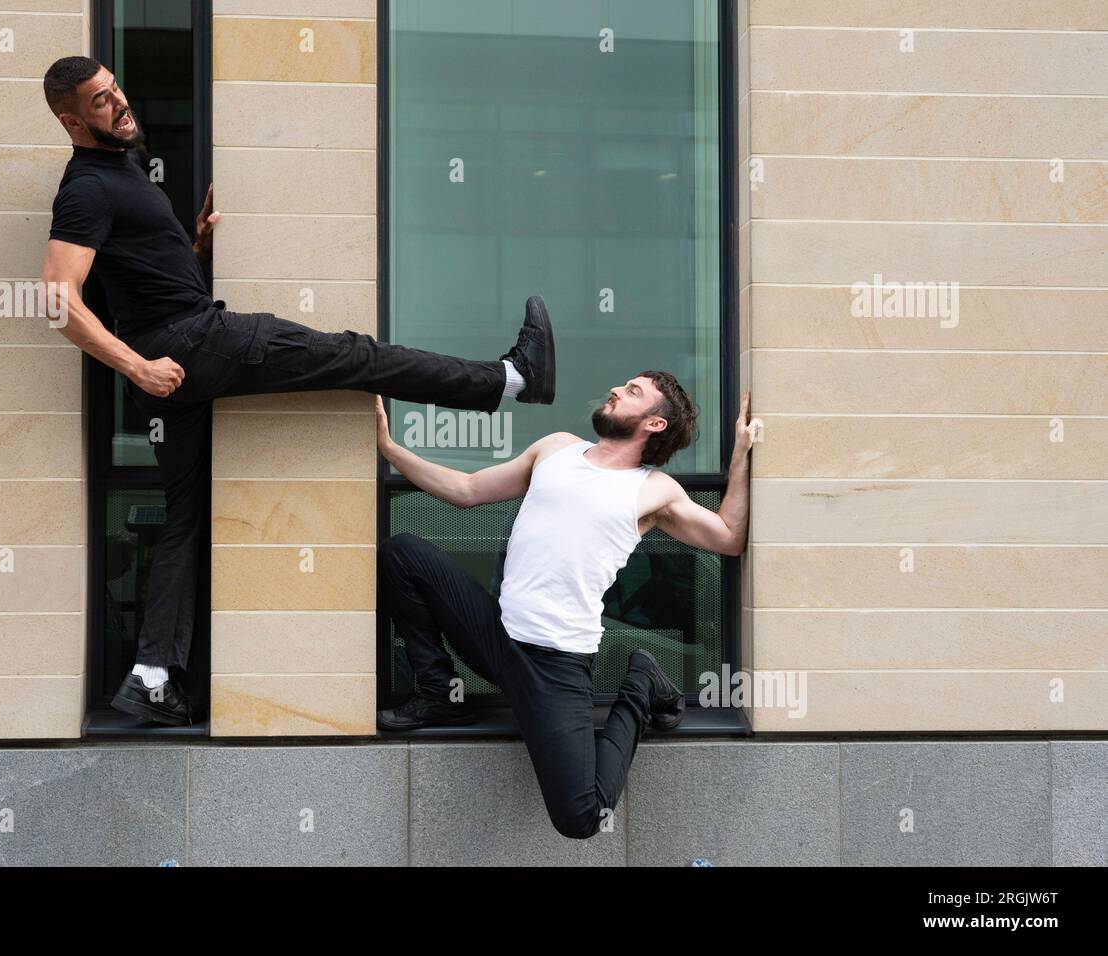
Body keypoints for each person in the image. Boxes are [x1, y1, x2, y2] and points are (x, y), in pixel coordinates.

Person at [39, 55, 556, 725]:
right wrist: (136, 366)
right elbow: (57, 301)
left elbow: (134, 274)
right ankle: (513, 379)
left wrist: (188, 253)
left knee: (185, 517)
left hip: (178, 359)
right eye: (101, 102)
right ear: (71, 120)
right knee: (356, 355)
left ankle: (153, 676)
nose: (120, 103)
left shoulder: (123, 168)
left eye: (117, 89)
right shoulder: (83, 188)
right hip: (195, 344)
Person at [376, 377, 754, 839]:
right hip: (498, 633)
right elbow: (467, 488)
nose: (615, 389)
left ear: (655, 423)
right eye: (622, 385)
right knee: (402, 554)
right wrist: (390, 449)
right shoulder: (556, 448)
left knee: (581, 818)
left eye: (633, 392)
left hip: (555, 662)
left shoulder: (655, 490)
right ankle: (439, 694)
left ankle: (641, 681)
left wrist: (739, 456)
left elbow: (729, 538)